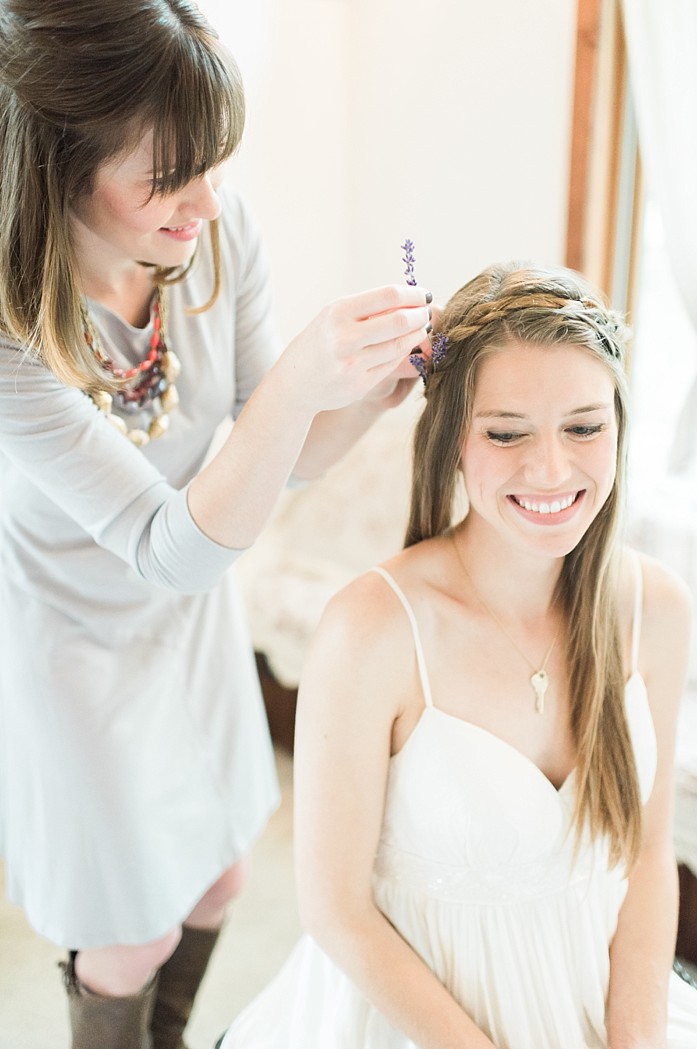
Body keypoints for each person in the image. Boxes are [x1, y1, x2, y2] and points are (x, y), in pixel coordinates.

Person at [0, 2, 433, 1047]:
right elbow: (168, 542)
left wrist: (371, 394)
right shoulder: (14, 334)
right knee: (130, 931)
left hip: (189, 622)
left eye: (215, 166)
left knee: (227, 869)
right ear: (59, 169)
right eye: (167, 177)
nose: (204, 202)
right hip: (75, 649)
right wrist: (296, 383)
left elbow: (270, 470)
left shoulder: (216, 235)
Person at [220, 262, 697, 1048]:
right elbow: (336, 912)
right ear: (452, 441)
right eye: (507, 432)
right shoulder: (372, 629)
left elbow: (649, 857)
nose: (552, 469)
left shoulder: (659, 608)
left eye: (584, 426)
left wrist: (633, 1039)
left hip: (601, 1003)